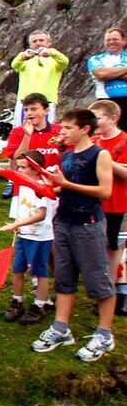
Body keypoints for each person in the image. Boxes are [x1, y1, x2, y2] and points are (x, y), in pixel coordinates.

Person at [31, 109, 116, 362]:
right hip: (64, 221)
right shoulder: (67, 155)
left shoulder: (99, 154)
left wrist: (66, 185)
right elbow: (61, 188)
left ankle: (104, 333)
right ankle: (61, 327)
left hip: (88, 224)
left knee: (98, 278)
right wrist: (47, 189)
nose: (63, 132)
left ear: (85, 129)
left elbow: (104, 191)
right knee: (64, 277)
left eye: (68, 128)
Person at [0, 150, 56, 325]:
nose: (19, 171)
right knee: (17, 269)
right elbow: (22, 209)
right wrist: (18, 223)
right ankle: (17, 300)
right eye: (18, 167)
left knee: (38, 271)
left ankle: (39, 304)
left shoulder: (41, 188)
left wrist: (17, 225)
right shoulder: (23, 186)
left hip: (39, 236)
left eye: (24, 167)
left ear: (37, 170)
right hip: (24, 234)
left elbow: (41, 214)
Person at [88, 100, 127, 315]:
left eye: (98, 118)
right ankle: (105, 290)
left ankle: (110, 295)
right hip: (96, 204)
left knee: (115, 250)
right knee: (100, 250)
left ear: (113, 119)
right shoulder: (94, 140)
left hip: (119, 205)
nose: (94, 124)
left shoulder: (124, 141)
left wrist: (102, 158)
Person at [0, 92, 63, 199]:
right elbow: (16, 158)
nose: (29, 113)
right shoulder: (17, 132)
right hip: (25, 189)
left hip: (53, 188)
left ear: (46, 111)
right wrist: (27, 136)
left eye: (33, 109)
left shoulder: (59, 131)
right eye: (26, 110)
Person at [10, 30, 69, 126]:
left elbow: (65, 62)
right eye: (34, 41)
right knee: (21, 130)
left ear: (49, 43)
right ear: (30, 45)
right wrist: (23, 56)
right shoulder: (25, 60)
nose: (38, 43)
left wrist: (51, 52)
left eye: (41, 40)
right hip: (24, 102)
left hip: (47, 101)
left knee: (46, 131)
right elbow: (14, 65)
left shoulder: (55, 61)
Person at [88, 27, 127, 130]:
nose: (111, 42)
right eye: (108, 40)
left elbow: (106, 74)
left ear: (124, 41)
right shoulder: (96, 59)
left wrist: (111, 74)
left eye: (115, 39)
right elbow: (101, 74)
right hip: (106, 104)